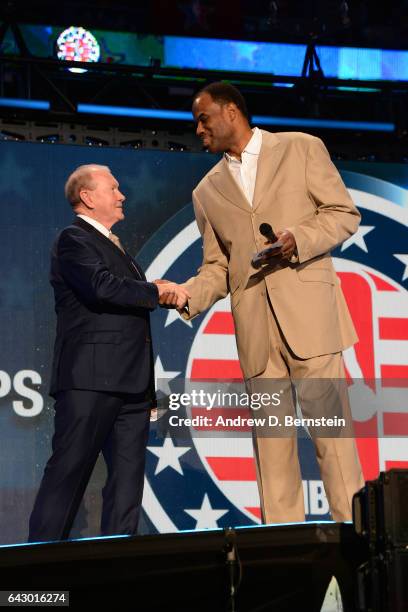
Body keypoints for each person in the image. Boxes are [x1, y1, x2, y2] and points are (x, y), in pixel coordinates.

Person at [182, 82, 364, 523]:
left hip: (311, 322)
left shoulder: (301, 148)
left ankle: (357, 544)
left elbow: (343, 214)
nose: (199, 131)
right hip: (257, 334)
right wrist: (186, 294)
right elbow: (218, 268)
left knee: (332, 441)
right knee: (271, 446)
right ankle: (285, 554)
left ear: (231, 112)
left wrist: (296, 239)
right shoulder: (205, 192)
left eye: (203, 119)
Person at [28, 164, 189, 542]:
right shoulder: (74, 239)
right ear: (88, 197)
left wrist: (151, 288)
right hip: (91, 381)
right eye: (113, 188)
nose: (122, 195)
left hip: (131, 389)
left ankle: (117, 570)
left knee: (126, 488)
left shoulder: (114, 247)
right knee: (68, 475)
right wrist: (155, 292)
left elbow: (122, 290)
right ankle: (33, 570)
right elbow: (102, 287)